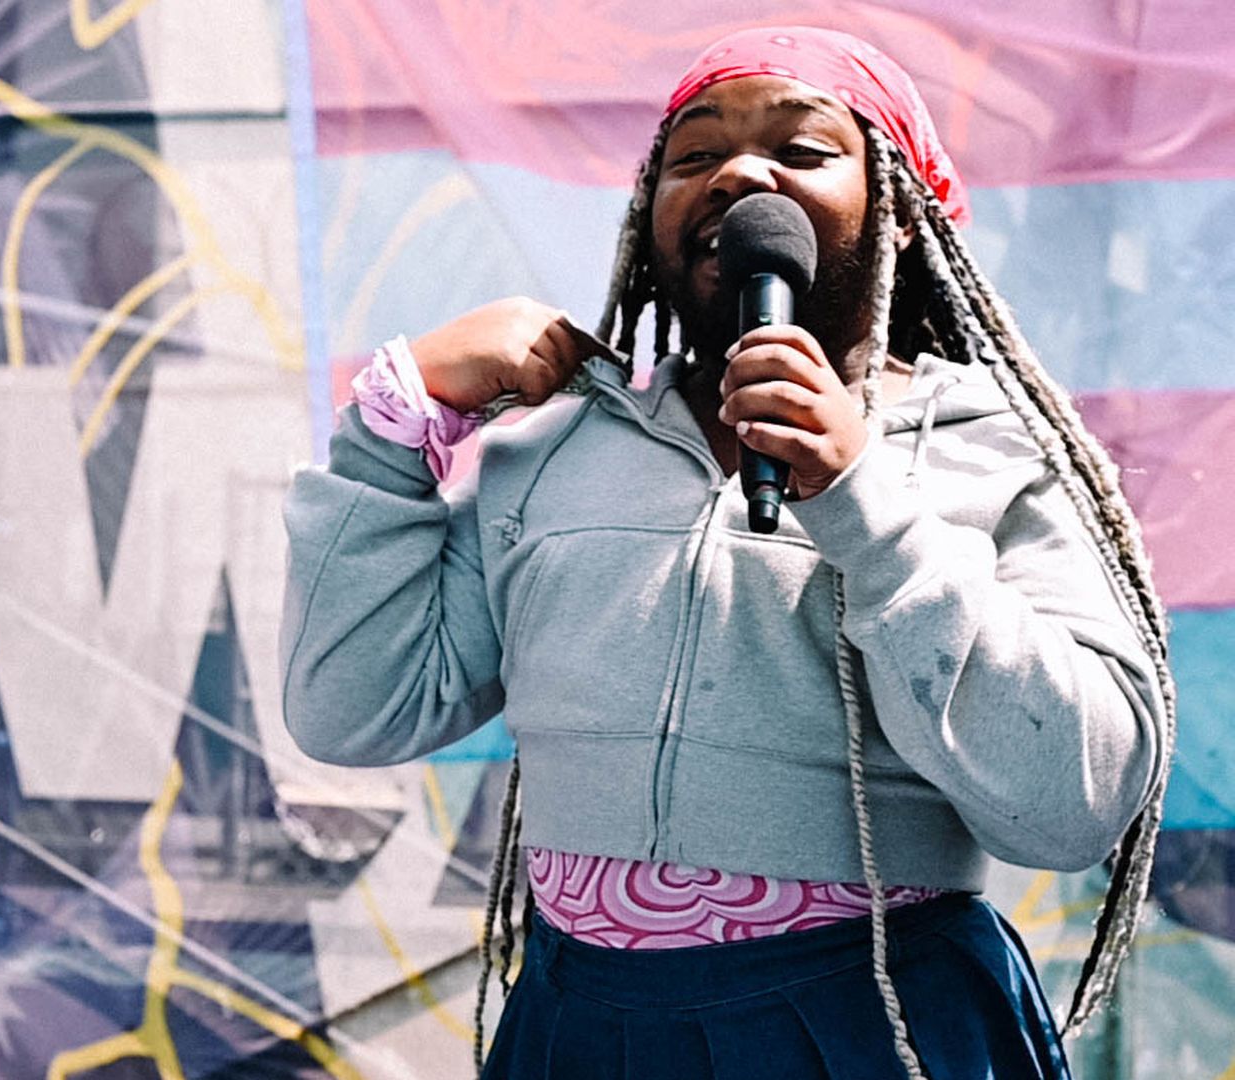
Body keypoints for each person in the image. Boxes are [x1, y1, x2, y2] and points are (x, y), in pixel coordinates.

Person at [279, 25, 1173, 1080]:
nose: (741, 172)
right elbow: (352, 709)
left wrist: (861, 499)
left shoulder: (996, 448)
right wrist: (392, 428)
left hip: (873, 1021)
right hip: (585, 1028)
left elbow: (1075, 802)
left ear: (901, 214)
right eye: (693, 157)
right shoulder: (551, 448)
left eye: (802, 150)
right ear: (647, 217)